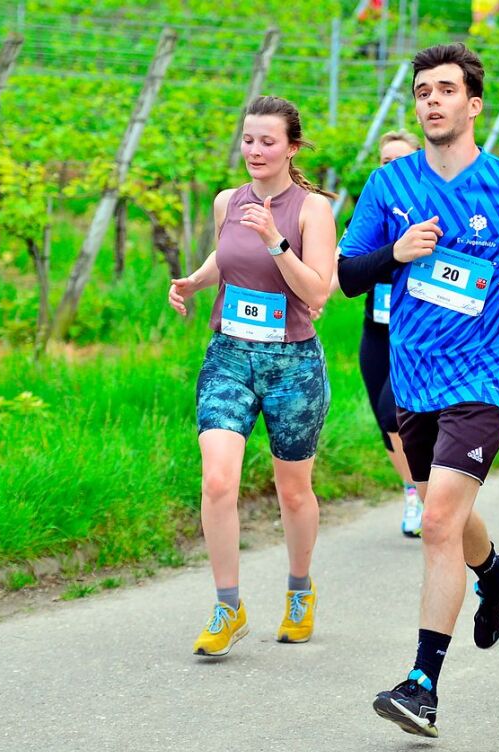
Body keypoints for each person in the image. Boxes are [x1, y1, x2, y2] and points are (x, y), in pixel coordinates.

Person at [338, 43, 499, 737]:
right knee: (452, 515)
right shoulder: (389, 187)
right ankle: (497, 570)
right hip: (412, 377)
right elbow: (348, 276)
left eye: (445, 90)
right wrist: (397, 252)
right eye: (422, 91)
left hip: (484, 375)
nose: (432, 100)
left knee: (438, 518)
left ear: (472, 105)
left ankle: (421, 683)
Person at [168, 95, 337, 657]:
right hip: (229, 356)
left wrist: (273, 238)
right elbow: (226, 257)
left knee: (293, 492)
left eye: (268, 141)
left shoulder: (312, 210)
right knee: (217, 481)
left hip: (293, 364)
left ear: (292, 147)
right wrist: (194, 281)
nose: (255, 151)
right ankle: (227, 605)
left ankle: (298, 589)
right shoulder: (226, 201)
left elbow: (318, 293)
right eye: (248, 140)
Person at [348, 130, 427, 537]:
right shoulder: (369, 214)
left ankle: (424, 495)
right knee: (387, 427)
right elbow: (346, 267)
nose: (392, 168)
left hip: (415, 336)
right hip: (375, 331)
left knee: (391, 413)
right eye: (385, 162)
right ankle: (416, 492)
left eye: (401, 160)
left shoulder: (433, 211)